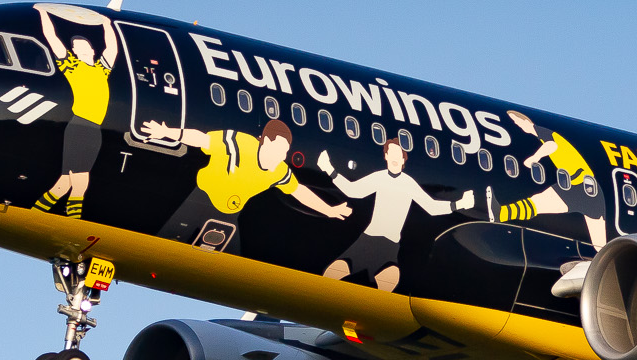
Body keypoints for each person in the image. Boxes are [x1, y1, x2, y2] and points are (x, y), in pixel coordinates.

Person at [141, 117, 350, 251]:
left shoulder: (278, 170)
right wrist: (167, 133)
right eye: (279, 150)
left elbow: (299, 191)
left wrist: (329, 210)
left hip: (229, 213)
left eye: (285, 152)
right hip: (201, 198)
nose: (282, 156)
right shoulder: (240, 144)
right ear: (265, 141)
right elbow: (202, 140)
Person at [320, 137, 454, 292]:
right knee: (332, 273)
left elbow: (431, 207)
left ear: (404, 159)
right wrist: (329, 170)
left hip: (389, 246)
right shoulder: (380, 176)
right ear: (386, 157)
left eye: (399, 155)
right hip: (367, 241)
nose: (395, 159)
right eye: (391, 154)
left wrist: (458, 204)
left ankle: (368, 312)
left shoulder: (408, 183)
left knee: (390, 280)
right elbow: (353, 191)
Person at [29, 2, 119, 219]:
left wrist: (107, 25)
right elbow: (53, 40)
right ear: (75, 53)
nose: (81, 50)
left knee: (65, 183)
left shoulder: (101, 69)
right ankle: (72, 220)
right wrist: (43, 14)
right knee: (80, 182)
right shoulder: (72, 66)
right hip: (80, 126)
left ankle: (36, 214)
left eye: (84, 47)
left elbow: (112, 49)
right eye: (77, 48)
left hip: (94, 129)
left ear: (92, 50)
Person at [497, 110, 608, 247]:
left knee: (599, 248)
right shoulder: (540, 134)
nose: (517, 125)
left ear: (526, 121)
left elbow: (552, 145)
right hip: (574, 185)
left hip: (584, 188)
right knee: (538, 202)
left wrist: (534, 158)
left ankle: (501, 213)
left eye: (517, 121)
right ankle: (501, 213)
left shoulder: (541, 131)